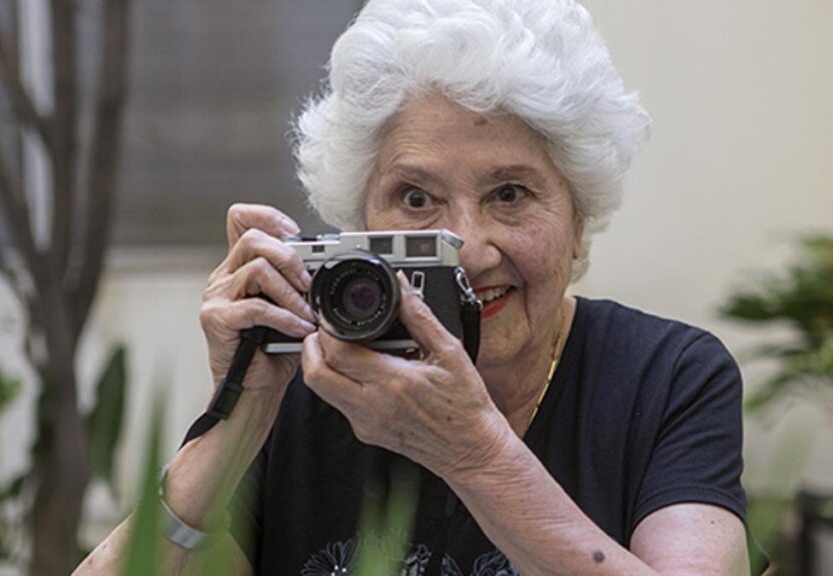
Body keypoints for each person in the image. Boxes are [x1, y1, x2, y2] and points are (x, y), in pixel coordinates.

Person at [75, 0, 750, 574]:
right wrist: (241, 416)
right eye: (416, 198)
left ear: (579, 221)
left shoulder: (668, 377)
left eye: (510, 193)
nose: (469, 249)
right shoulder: (309, 389)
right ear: (361, 226)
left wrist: (474, 453)